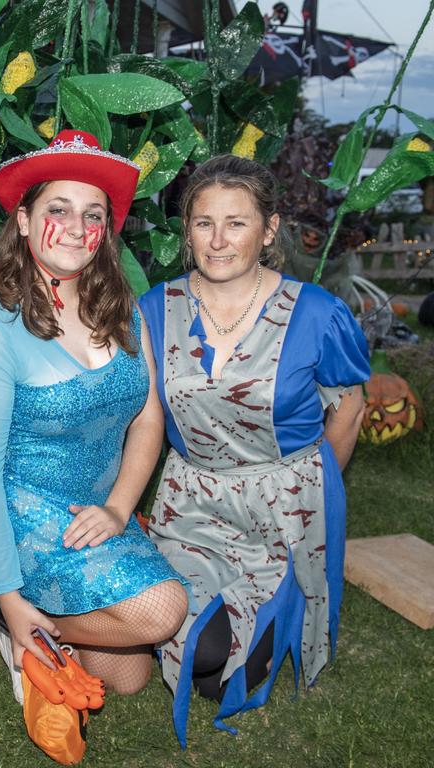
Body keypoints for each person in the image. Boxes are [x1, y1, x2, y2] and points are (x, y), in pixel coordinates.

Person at [0, 129, 189, 700]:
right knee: (163, 610)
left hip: (94, 513)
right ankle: (19, 621)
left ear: (106, 230)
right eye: (59, 209)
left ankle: (46, 629)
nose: (77, 227)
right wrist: (10, 597)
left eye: (93, 214)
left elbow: (148, 421)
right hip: (17, 512)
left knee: (128, 678)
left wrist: (120, 509)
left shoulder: (124, 314)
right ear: (23, 221)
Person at [139, 154, 369, 746]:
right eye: (203, 223)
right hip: (190, 507)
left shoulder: (317, 312)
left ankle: (285, 595)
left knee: (222, 677)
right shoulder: (154, 309)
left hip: (284, 519)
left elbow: (350, 411)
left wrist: (310, 490)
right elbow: (145, 416)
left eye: (236, 223)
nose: (218, 241)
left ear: (268, 230)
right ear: (186, 231)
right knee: (206, 653)